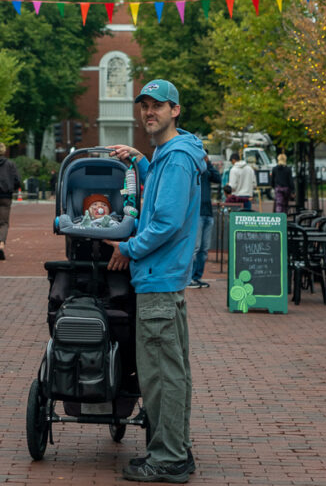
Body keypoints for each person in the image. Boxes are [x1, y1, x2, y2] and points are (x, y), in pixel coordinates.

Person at [105, 78, 206, 484]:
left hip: (158, 278)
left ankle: (167, 458)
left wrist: (127, 248)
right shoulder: (168, 154)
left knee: (161, 375)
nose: (150, 112)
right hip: (166, 278)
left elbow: (165, 220)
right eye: (144, 106)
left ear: (175, 110)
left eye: (158, 106)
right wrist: (141, 161)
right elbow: (166, 192)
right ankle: (176, 448)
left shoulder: (177, 158)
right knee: (173, 370)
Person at [187, 151, 221, 289]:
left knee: (204, 249)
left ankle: (197, 277)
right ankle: (189, 278)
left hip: (208, 213)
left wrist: (209, 164)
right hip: (197, 213)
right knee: (195, 247)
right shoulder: (193, 170)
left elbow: (218, 178)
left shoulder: (206, 171)